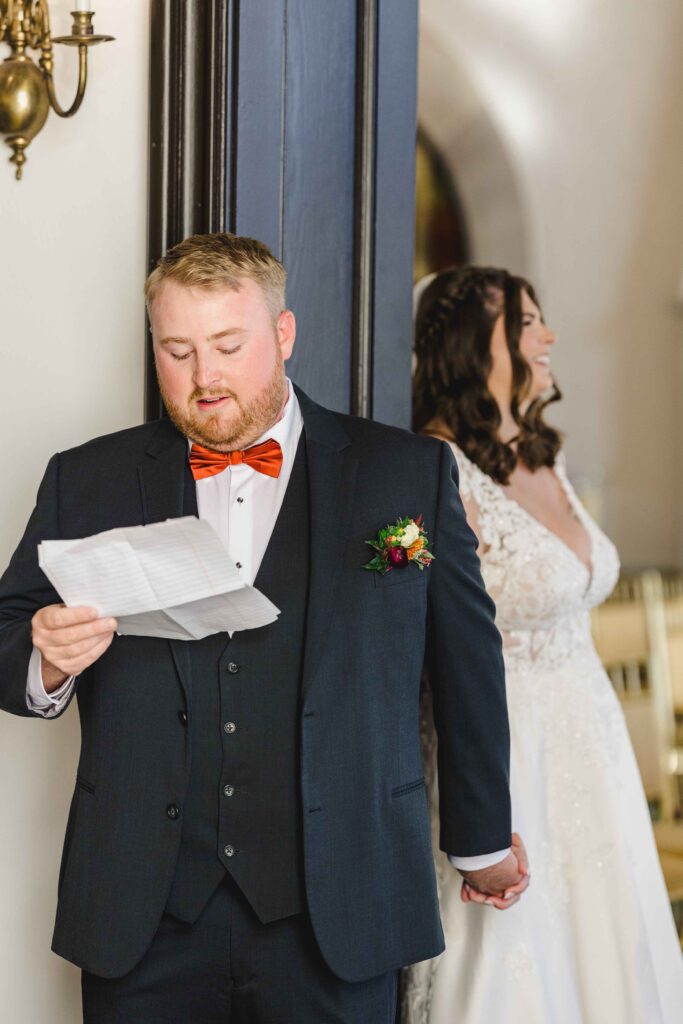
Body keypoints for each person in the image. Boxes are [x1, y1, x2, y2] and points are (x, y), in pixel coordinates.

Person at [0, 234, 528, 1024]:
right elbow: (10, 633)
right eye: (176, 351)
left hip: (341, 905)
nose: (202, 376)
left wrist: (480, 839)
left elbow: (465, 665)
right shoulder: (88, 477)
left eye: (225, 345)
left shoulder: (403, 472)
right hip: (142, 915)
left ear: (282, 335)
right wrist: (44, 662)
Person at [402, 265, 683, 1024]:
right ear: (470, 344)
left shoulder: (540, 452)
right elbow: (407, 607)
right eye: (527, 323)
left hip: (591, 753)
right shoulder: (430, 472)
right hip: (506, 754)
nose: (547, 336)